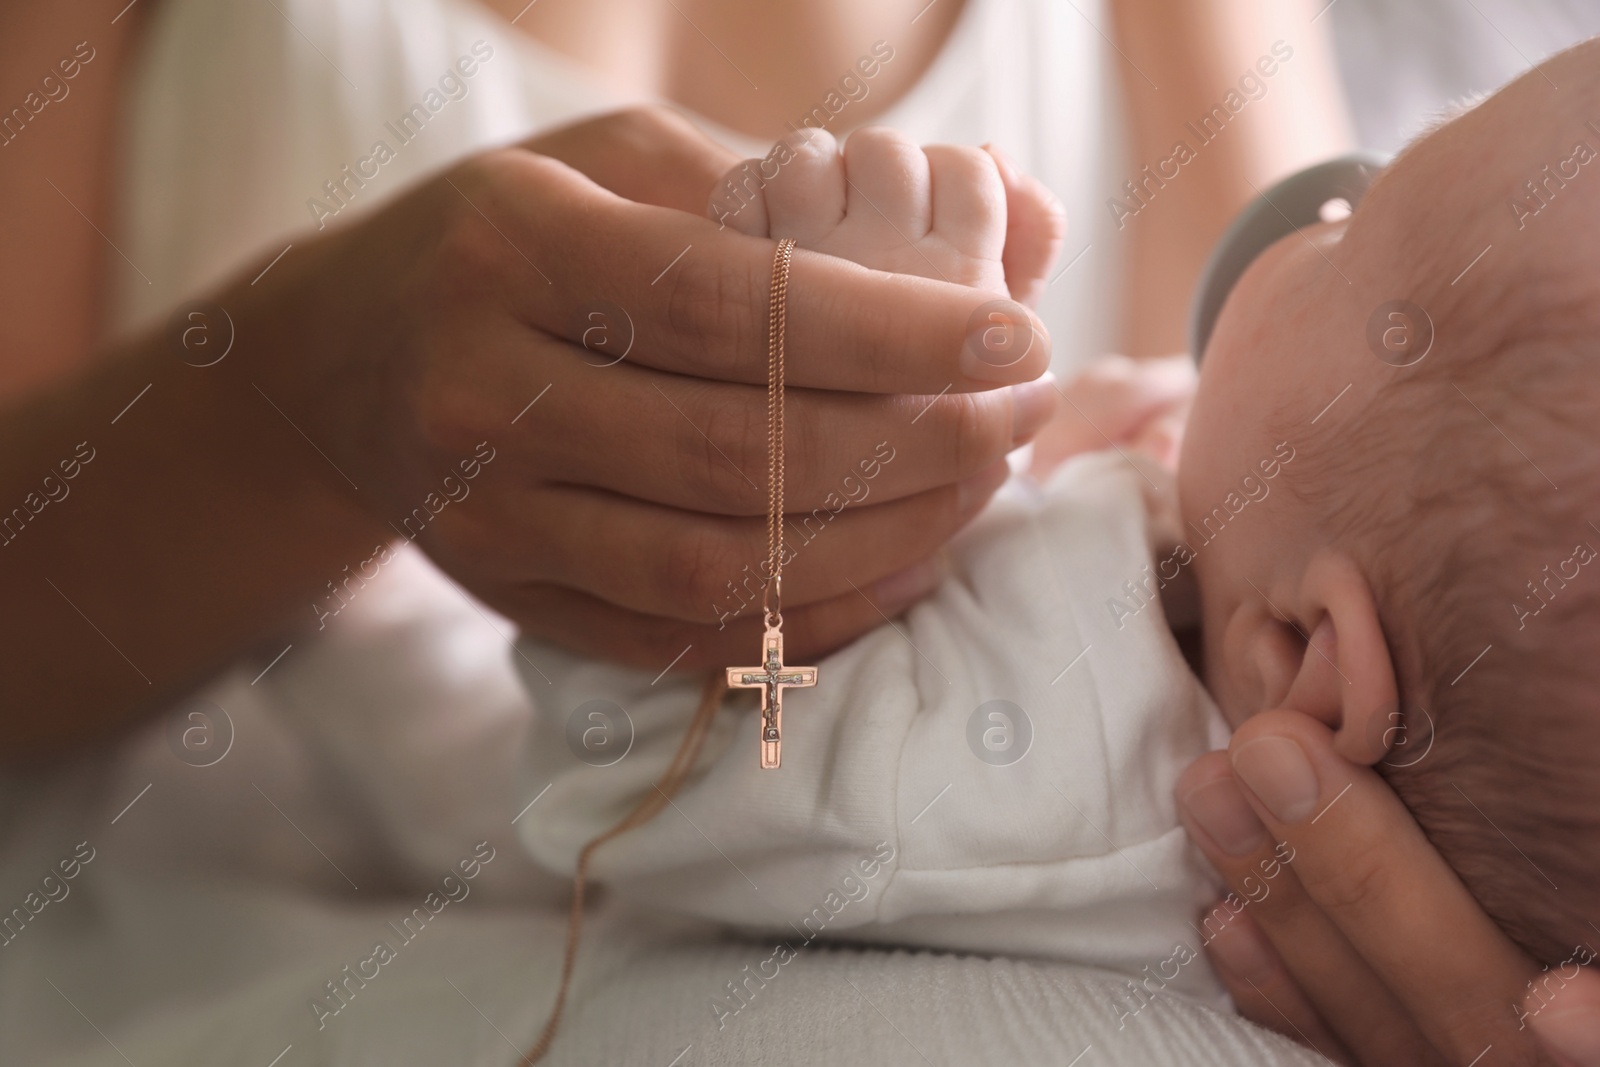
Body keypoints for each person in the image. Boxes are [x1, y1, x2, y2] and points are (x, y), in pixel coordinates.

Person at [518, 39, 1600, 1066]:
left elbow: (637, 773)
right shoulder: (1251, 579)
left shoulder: (995, 787)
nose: (1327, 200)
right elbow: (1353, 487)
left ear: (1299, 651)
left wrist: (828, 425)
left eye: (1351, 244)